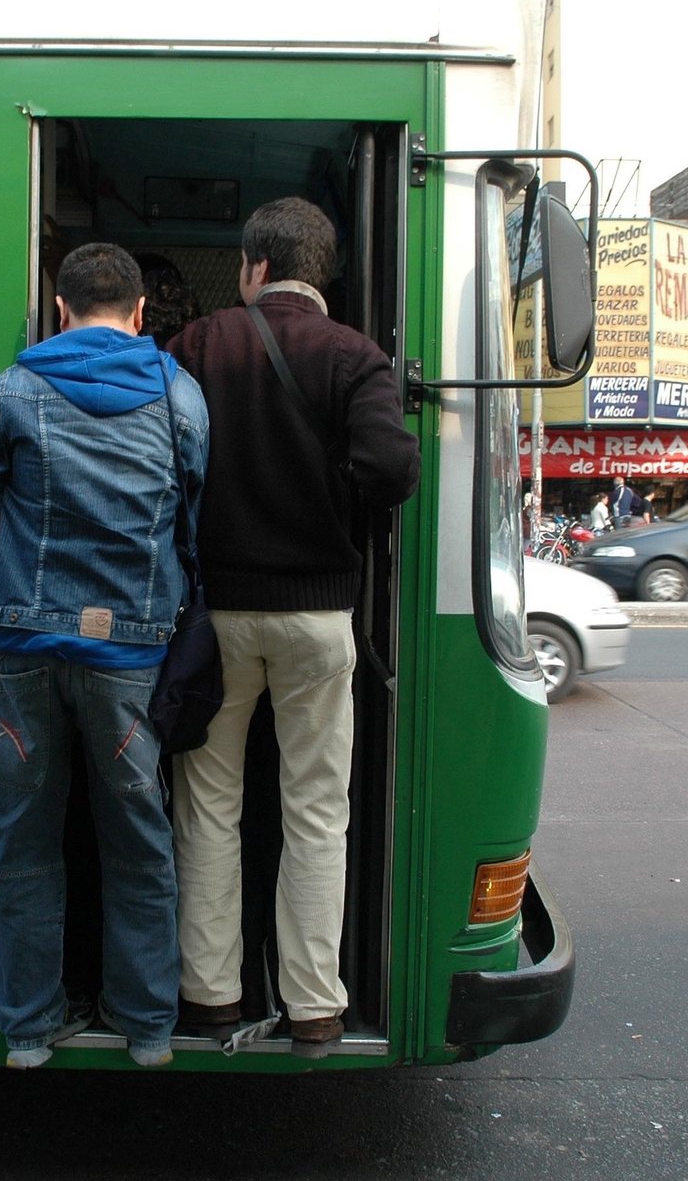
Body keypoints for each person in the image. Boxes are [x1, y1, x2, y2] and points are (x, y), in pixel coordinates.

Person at [0, 243, 208, 1071]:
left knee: (24, 839)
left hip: (24, 647)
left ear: (58, 309)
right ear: (137, 312)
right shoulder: (177, 393)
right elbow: (194, 520)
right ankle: (148, 1026)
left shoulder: (13, 390)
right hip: (128, 652)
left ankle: (28, 1029)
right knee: (137, 838)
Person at [164, 197, 419, 1058]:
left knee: (209, 805)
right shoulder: (357, 356)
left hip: (216, 617)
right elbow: (390, 470)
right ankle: (314, 1003)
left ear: (254, 267)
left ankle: (209, 995)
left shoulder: (198, 344)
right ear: (320, 274)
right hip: (317, 616)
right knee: (317, 810)